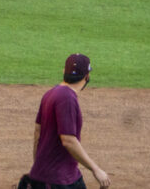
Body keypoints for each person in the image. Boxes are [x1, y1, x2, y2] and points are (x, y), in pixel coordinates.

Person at [17, 54, 111, 189]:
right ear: (87, 76)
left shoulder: (50, 93)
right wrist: (96, 169)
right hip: (59, 180)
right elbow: (68, 140)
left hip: (56, 175)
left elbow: (38, 132)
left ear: (64, 72)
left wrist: (38, 168)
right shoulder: (67, 98)